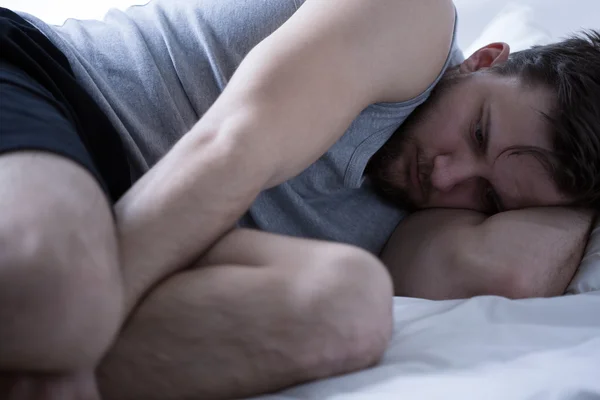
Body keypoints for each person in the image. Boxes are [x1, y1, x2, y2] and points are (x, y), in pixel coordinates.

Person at [0, 0, 598, 398]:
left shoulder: (432, 220)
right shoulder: (409, 19)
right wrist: (75, 337)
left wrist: (580, 210)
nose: (446, 179)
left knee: (352, 311)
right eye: (478, 132)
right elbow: (233, 145)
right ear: (484, 61)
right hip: (58, 92)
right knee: (53, 289)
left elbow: (511, 278)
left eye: (488, 195)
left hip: (120, 229)